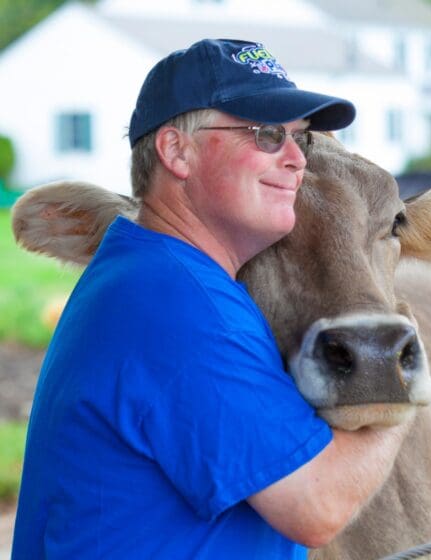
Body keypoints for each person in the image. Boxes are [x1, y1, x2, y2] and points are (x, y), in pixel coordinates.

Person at [14, 39, 407, 559]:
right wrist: (402, 378)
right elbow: (318, 505)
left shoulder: (150, 273)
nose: (296, 161)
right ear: (177, 151)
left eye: (300, 140)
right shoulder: (179, 305)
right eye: (266, 134)